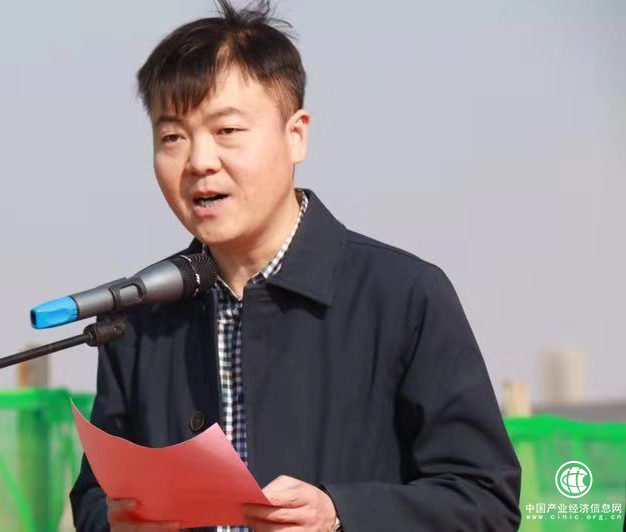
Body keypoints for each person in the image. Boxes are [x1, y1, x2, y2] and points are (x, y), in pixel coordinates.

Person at [70, 1, 521, 530]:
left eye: (227, 130)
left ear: (296, 135)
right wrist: (115, 523)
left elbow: (486, 500)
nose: (199, 161)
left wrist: (340, 515)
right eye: (172, 137)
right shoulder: (140, 316)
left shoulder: (404, 296)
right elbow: (96, 497)